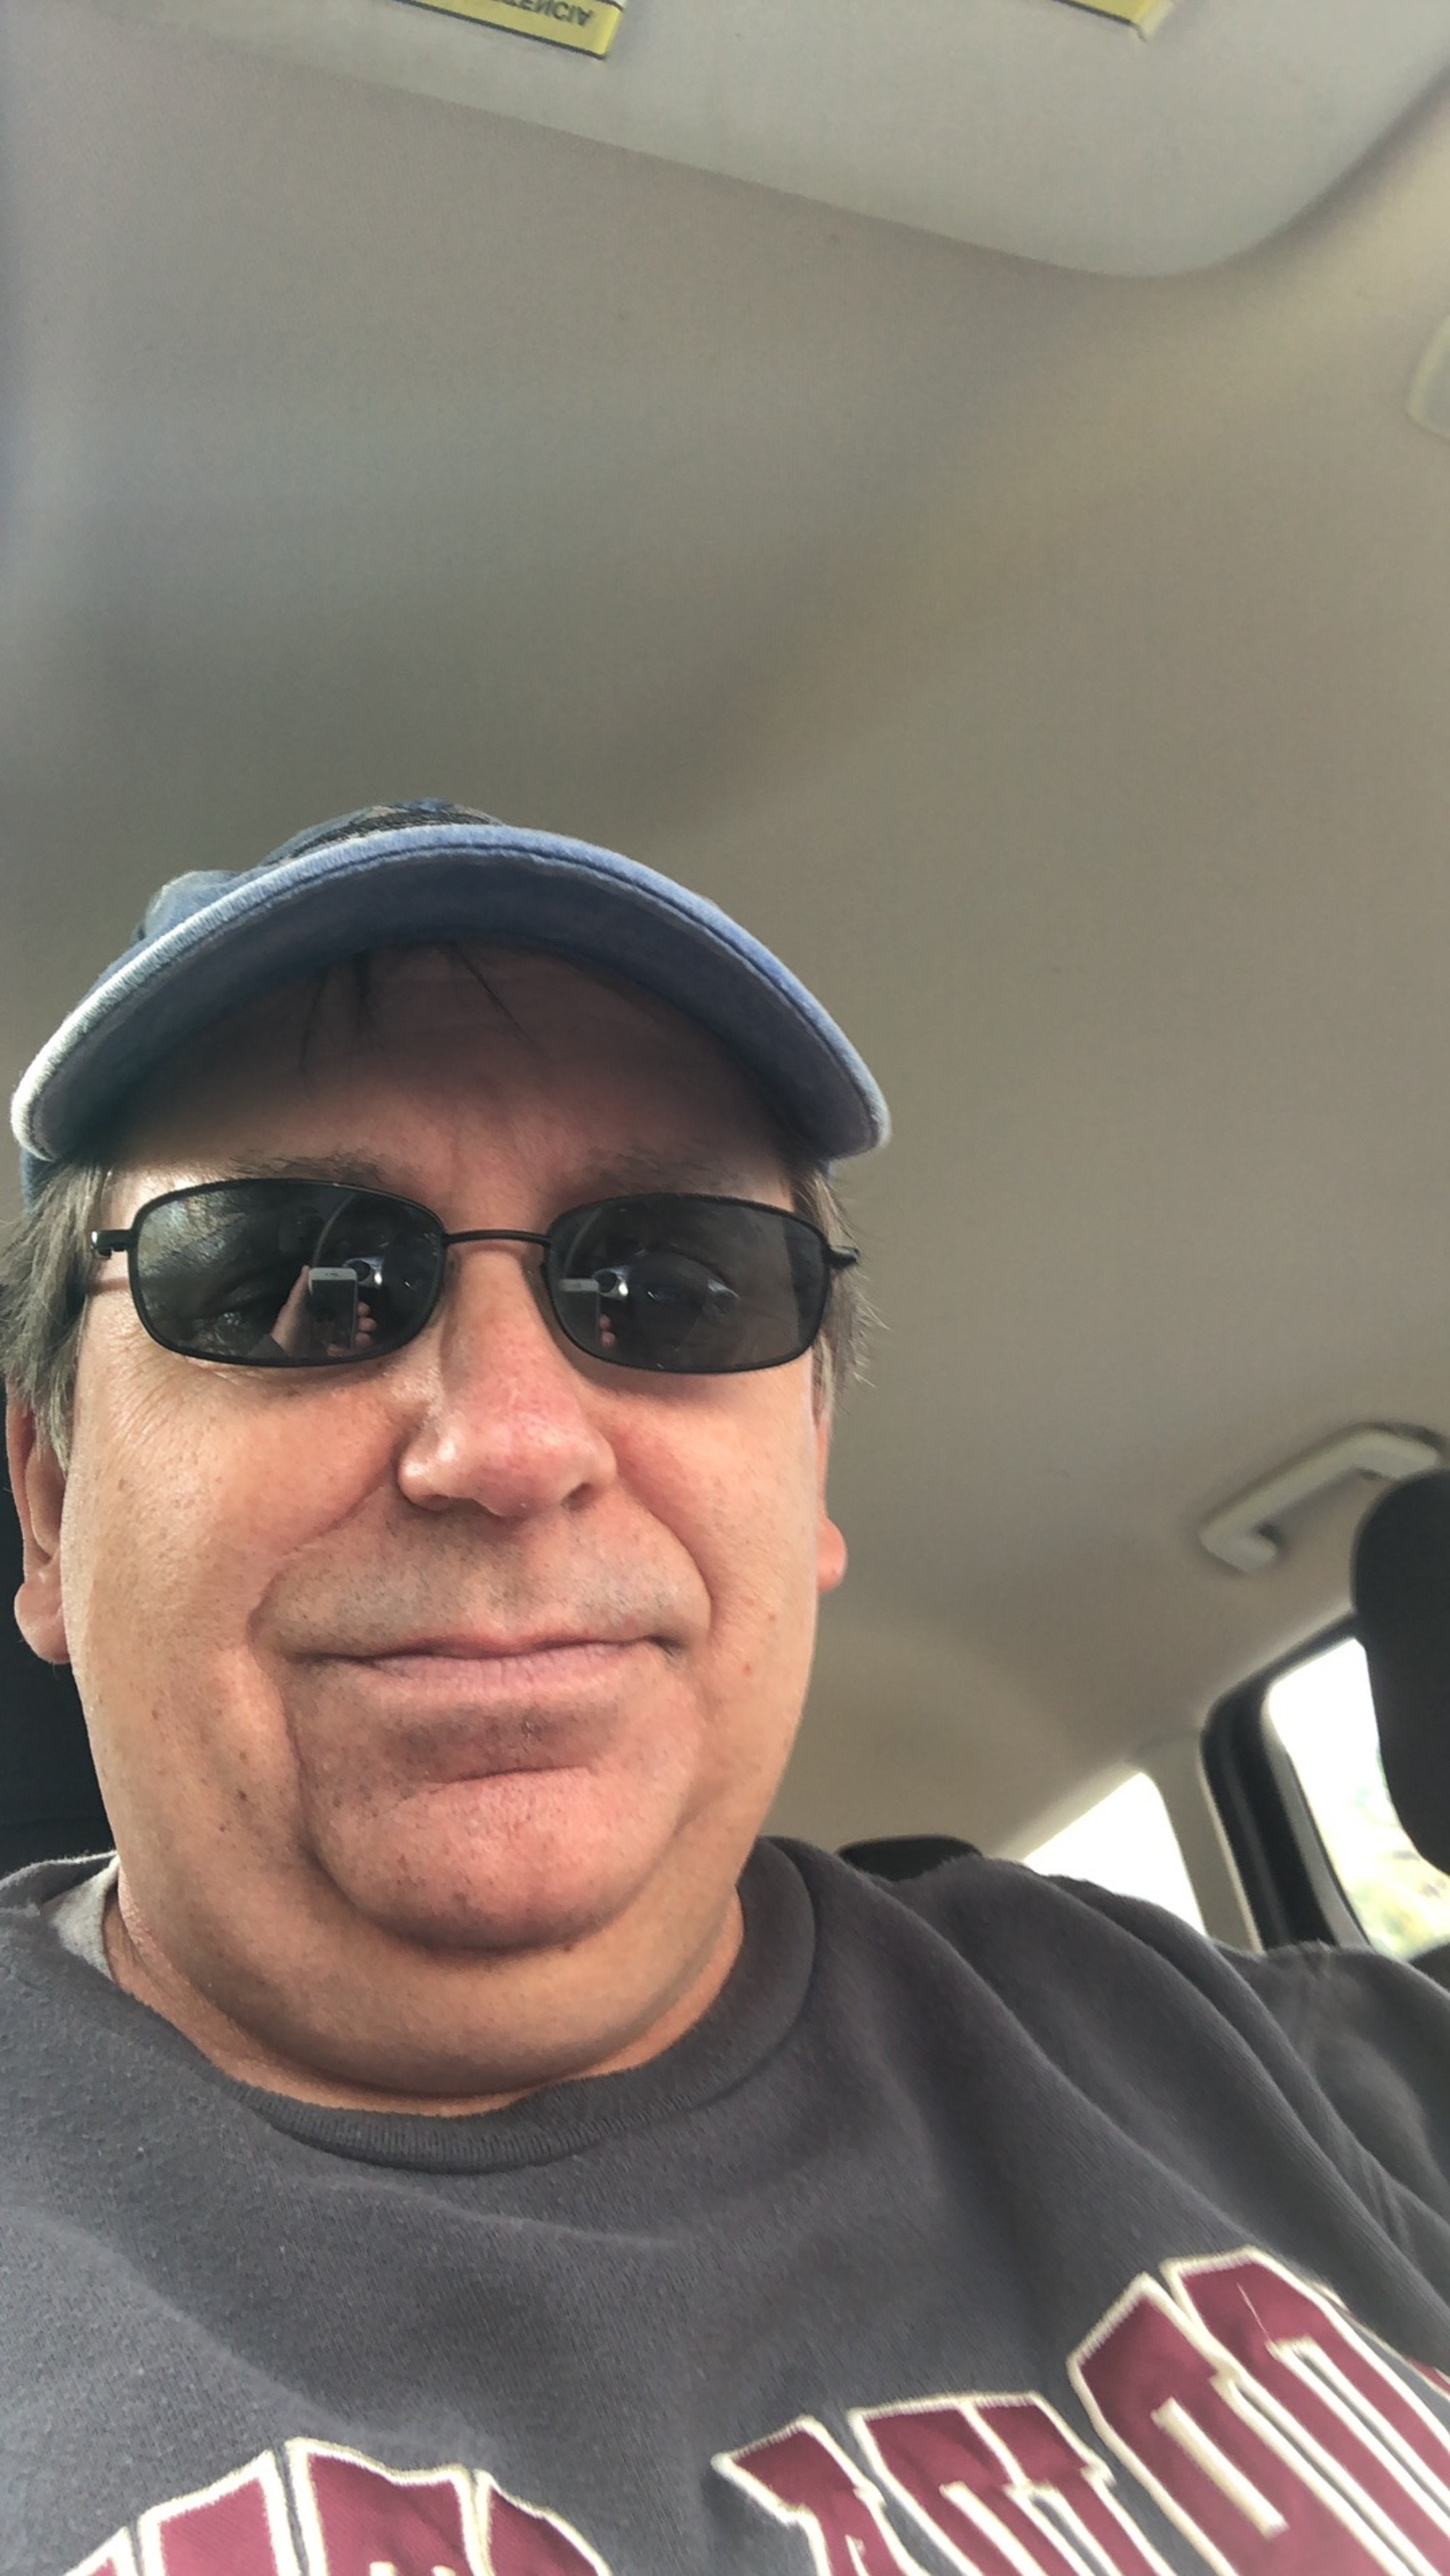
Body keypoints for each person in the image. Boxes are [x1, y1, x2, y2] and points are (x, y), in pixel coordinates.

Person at [4, 804, 1450, 2576]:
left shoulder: (1290, 2076)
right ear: (52, 1503)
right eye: (296, 1283)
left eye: (673, 1284)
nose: (511, 1444)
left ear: (813, 1469)